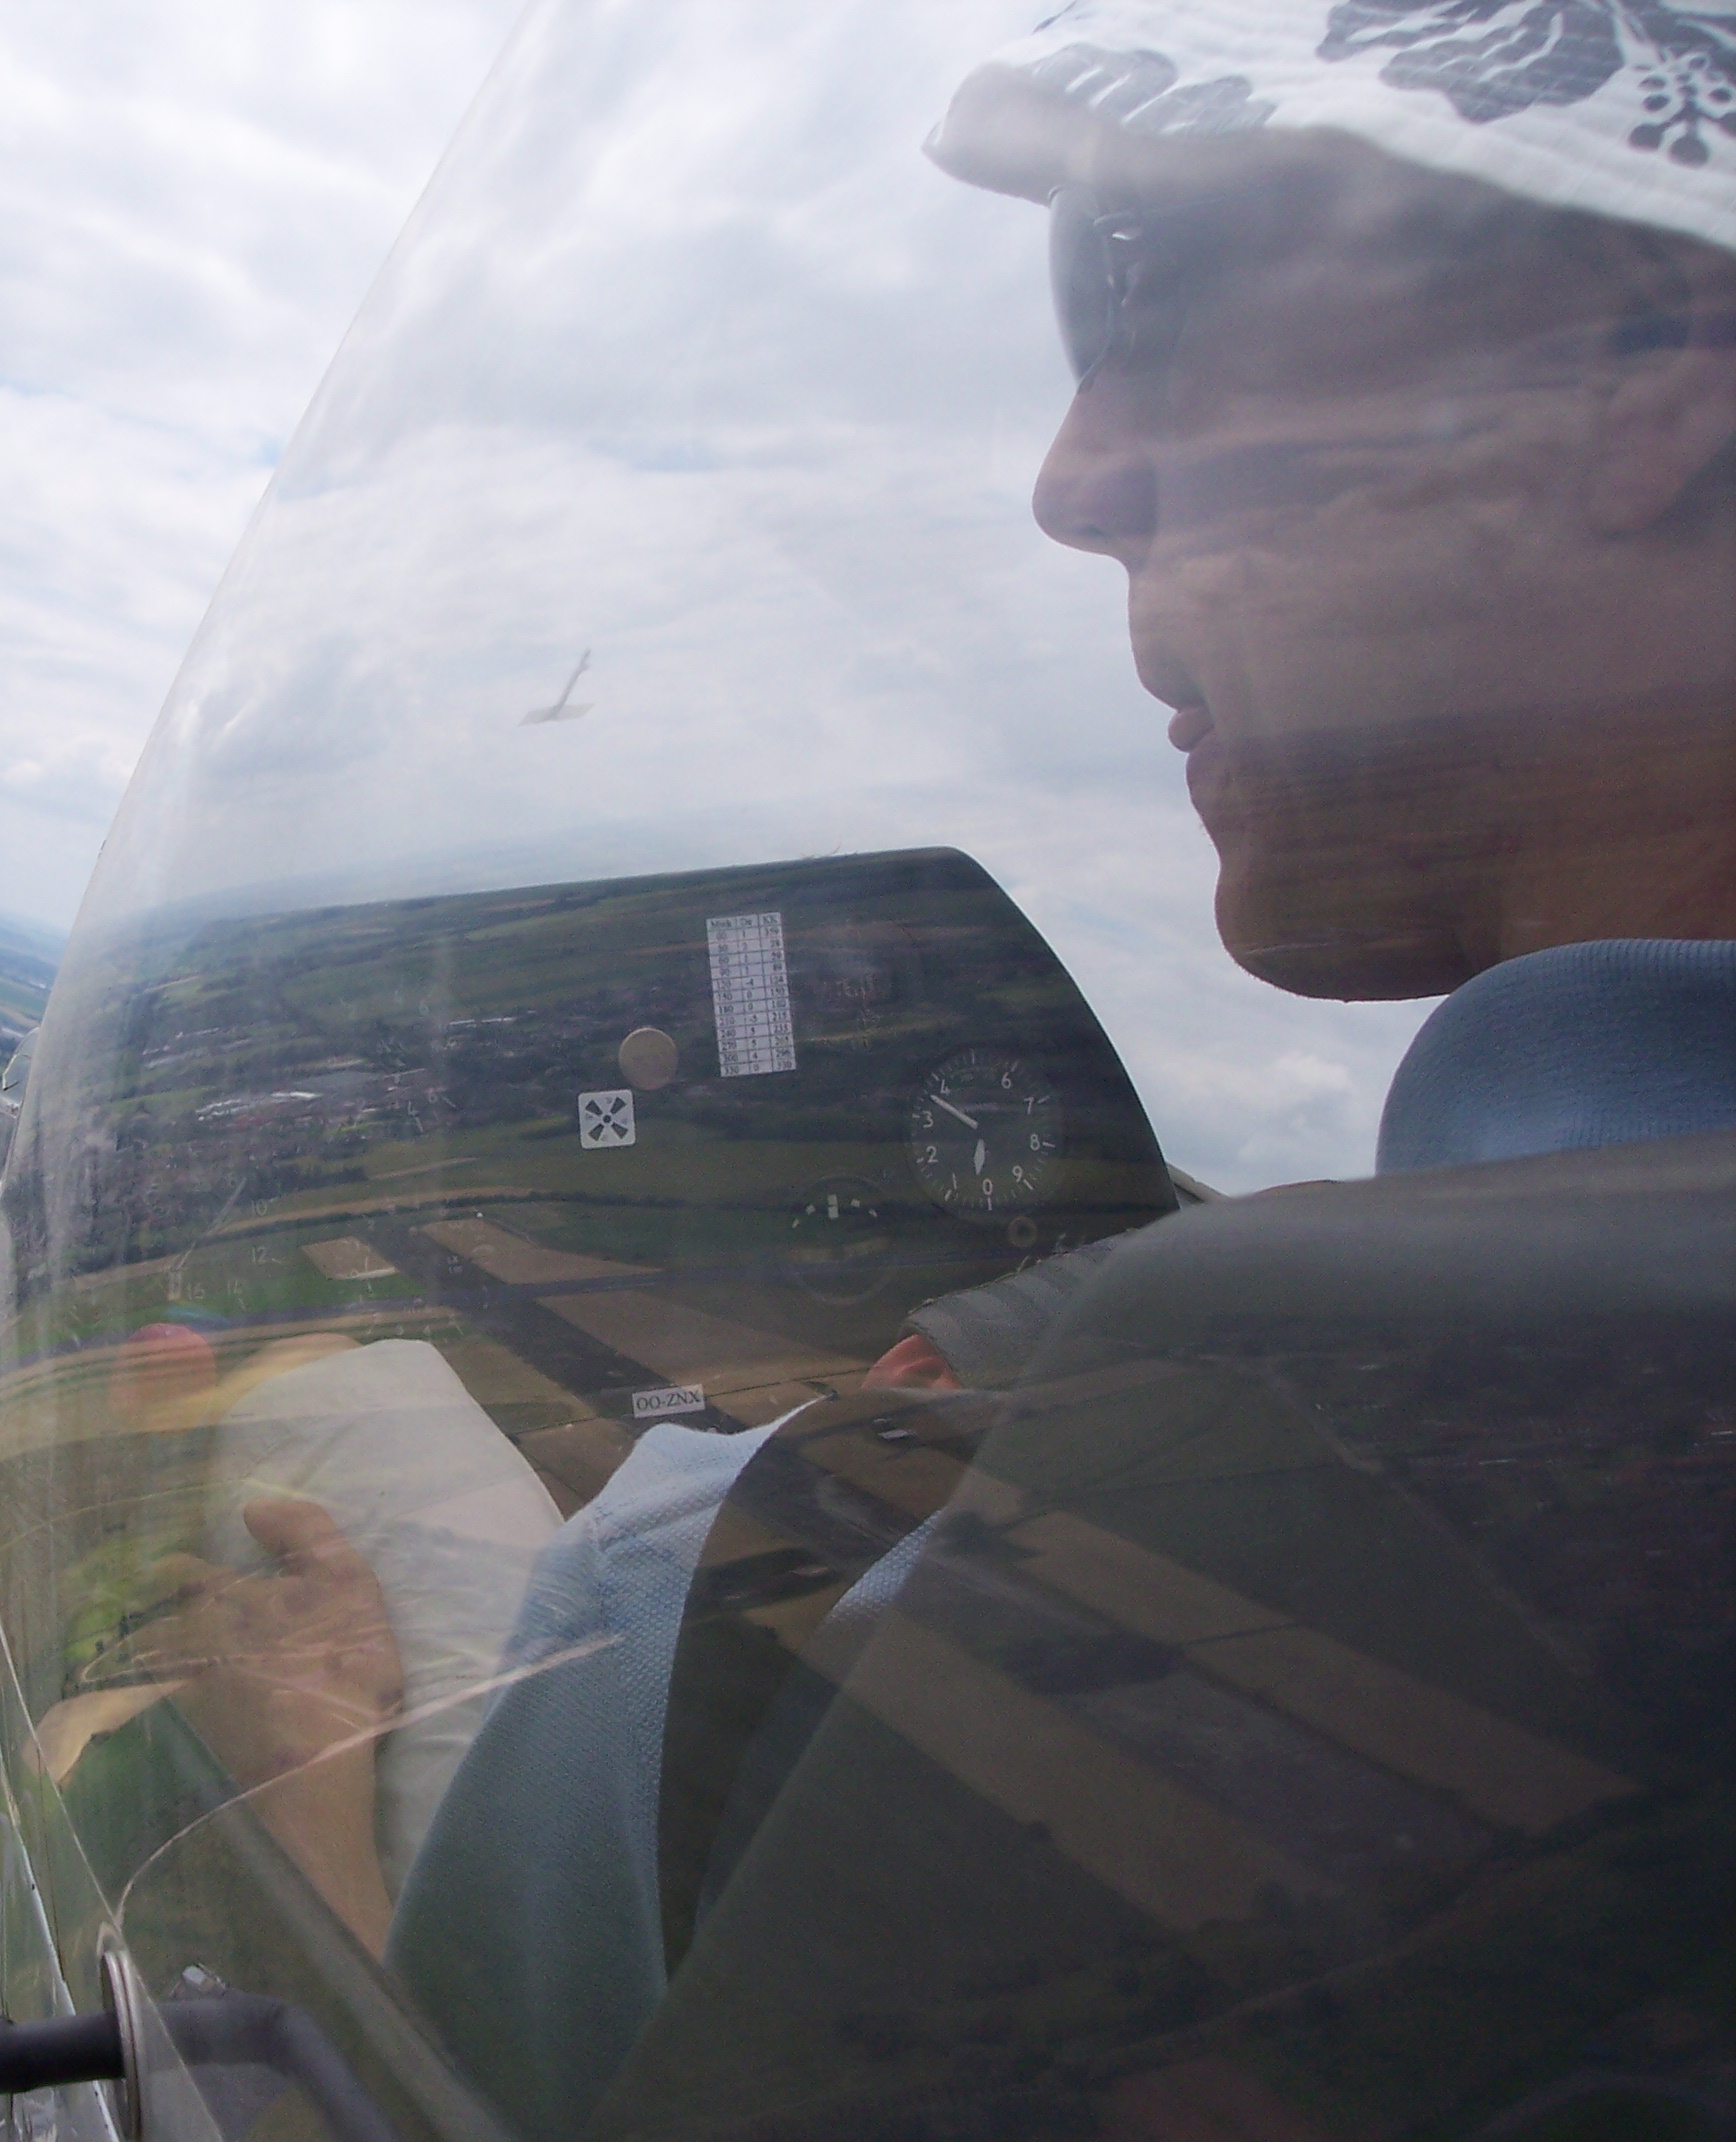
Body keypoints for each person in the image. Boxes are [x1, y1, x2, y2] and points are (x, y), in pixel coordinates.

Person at [140, 7, 1735, 2137]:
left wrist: (306, 1794)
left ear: (1644, 360)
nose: (1076, 478)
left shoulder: (817, 1587)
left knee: (367, 1418)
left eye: (1142, 285)